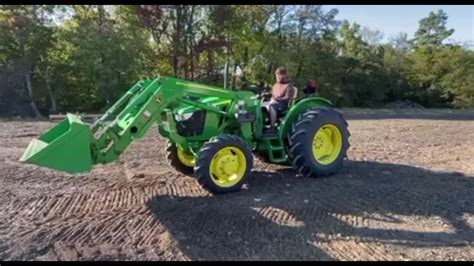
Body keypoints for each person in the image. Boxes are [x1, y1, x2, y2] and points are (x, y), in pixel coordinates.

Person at [266, 67, 294, 133]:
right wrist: (266, 94)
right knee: (262, 106)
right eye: (277, 75)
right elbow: (272, 93)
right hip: (274, 102)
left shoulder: (288, 86)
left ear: (284, 75)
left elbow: (287, 98)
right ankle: (265, 124)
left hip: (283, 105)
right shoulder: (275, 85)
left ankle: (273, 127)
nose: (277, 76)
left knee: (272, 106)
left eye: (279, 75)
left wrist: (277, 99)